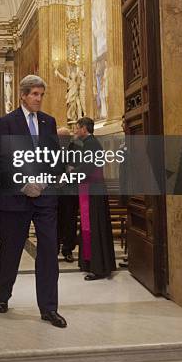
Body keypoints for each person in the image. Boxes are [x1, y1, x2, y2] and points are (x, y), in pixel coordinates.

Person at [0, 75, 67, 328]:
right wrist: (24, 185)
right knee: (10, 251)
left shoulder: (49, 122)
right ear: (23, 95)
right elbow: (1, 161)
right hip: (16, 198)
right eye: (35, 94)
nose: (39, 99)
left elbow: (55, 159)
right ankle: (3, 294)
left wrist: (44, 182)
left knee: (48, 251)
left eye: (41, 95)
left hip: (45, 198)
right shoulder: (7, 123)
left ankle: (49, 308)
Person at [74, 117, 116, 280]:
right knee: (90, 225)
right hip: (90, 189)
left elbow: (87, 167)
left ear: (84, 128)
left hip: (92, 190)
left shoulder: (91, 144)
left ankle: (97, 267)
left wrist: (70, 173)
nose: (76, 131)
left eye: (77, 128)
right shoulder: (89, 143)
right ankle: (92, 263)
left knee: (94, 225)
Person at [57, 127, 79, 263]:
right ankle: (54, 247)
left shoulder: (75, 149)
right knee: (56, 221)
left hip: (70, 192)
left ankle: (68, 249)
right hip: (56, 192)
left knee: (70, 221)